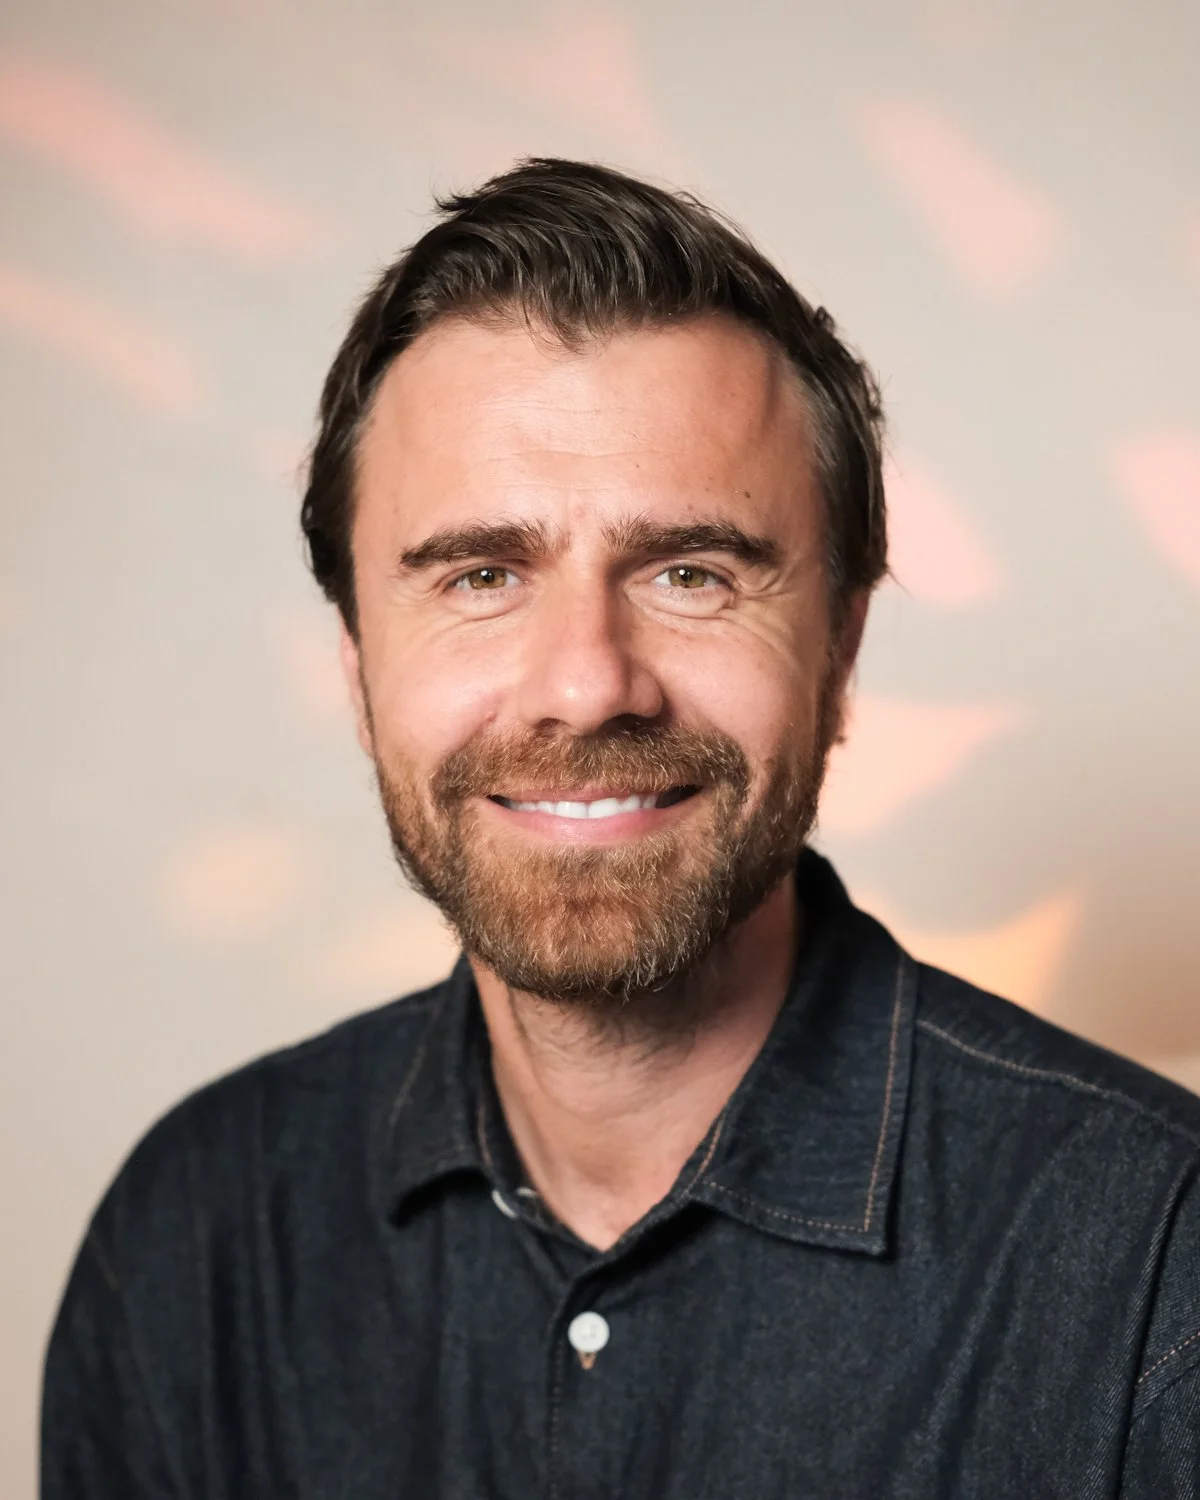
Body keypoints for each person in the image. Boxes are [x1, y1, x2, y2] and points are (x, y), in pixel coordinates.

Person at [42, 157, 1200, 1499]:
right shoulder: (193, 1240)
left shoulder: (1160, 1271)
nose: (589, 682)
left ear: (838, 651)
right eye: (482, 574)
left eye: (691, 572)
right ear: (359, 669)